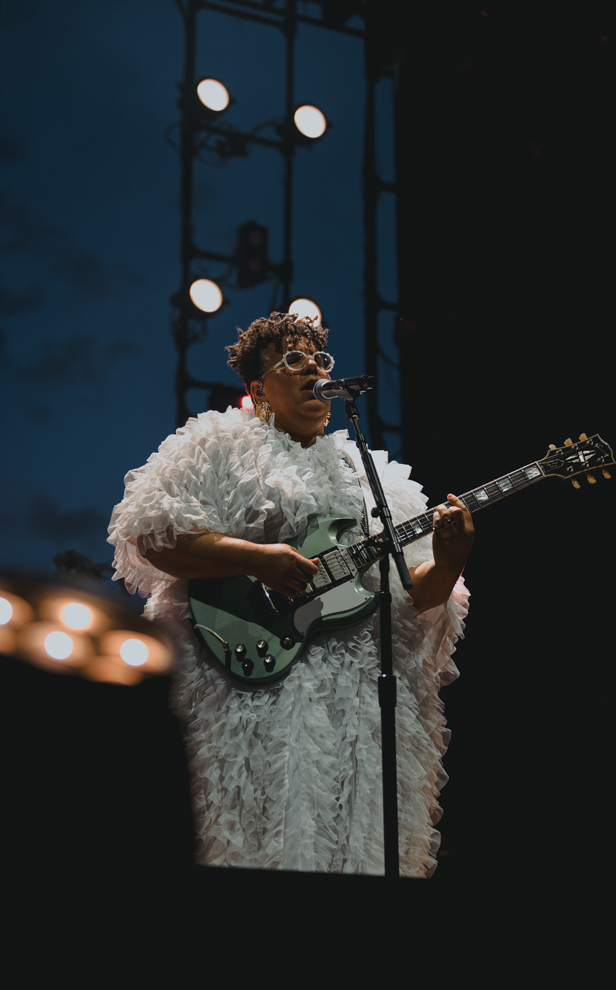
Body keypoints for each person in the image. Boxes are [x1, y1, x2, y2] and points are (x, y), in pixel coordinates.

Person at [107, 312, 473, 876]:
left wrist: (450, 560)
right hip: (252, 683)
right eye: (294, 361)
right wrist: (257, 557)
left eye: (320, 361)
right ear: (258, 388)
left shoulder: (372, 475)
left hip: (354, 705)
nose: (313, 372)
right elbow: (155, 536)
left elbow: (417, 591)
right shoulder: (220, 446)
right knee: (259, 832)